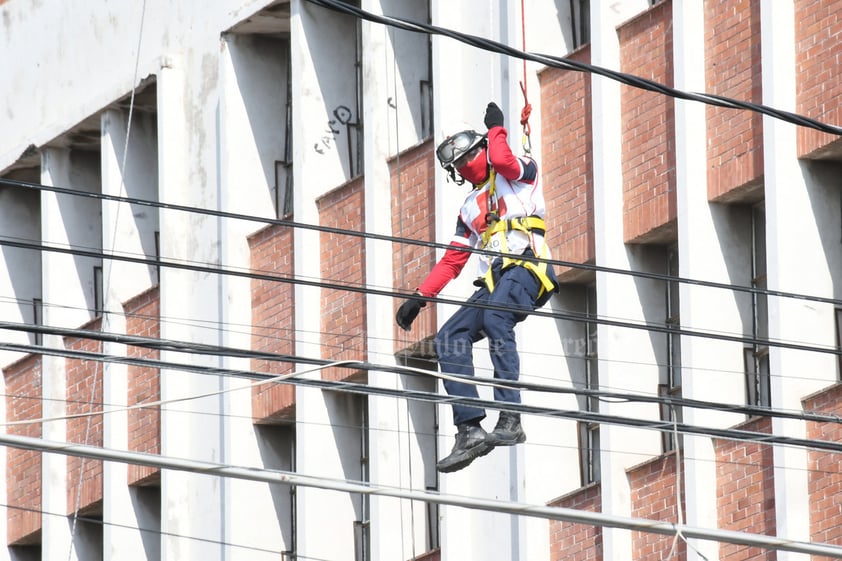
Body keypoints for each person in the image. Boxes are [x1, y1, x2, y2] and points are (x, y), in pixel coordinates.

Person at [395, 101, 558, 473]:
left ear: (484, 145)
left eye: (471, 152)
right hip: (495, 278)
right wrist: (420, 298)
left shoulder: (521, 173)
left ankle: (510, 418)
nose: (466, 162)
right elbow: (454, 259)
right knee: (449, 337)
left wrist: (497, 128)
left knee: (498, 317)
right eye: (458, 161)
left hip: (527, 267)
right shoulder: (469, 207)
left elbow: (501, 160)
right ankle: (469, 429)